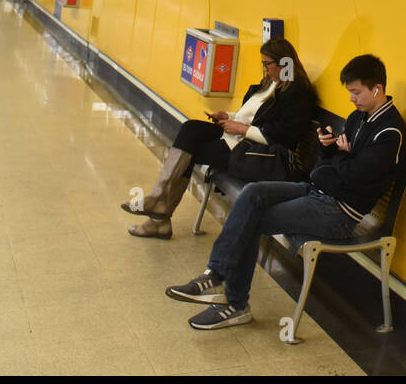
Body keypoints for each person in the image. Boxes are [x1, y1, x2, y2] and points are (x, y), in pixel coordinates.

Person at [166, 54, 403, 330]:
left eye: (356, 92)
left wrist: (339, 160)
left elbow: (355, 178)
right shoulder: (357, 118)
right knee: (252, 194)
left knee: (253, 219)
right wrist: (329, 147)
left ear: (377, 89)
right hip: (318, 191)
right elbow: (325, 165)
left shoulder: (389, 133)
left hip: (339, 212)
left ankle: (235, 303)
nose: (352, 99)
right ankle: (214, 273)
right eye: (350, 92)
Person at [122, 38, 317, 239]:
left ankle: (159, 215)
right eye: (263, 64)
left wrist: (241, 128)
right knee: (190, 129)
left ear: (284, 62)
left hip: (253, 150)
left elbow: (284, 137)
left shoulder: (297, 93)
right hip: (237, 138)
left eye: (267, 64)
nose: (265, 69)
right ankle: (158, 202)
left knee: (189, 151)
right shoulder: (269, 84)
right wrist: (229, 117)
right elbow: (252, 114)